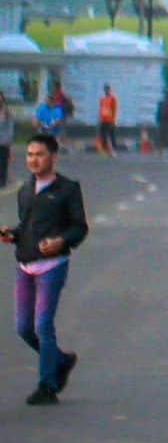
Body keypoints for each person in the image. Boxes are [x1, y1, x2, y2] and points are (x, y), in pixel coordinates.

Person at [2, 134, 88, 406]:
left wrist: (61, 241)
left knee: (42, 326)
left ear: (53, 157)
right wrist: (12, 235)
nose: (34, 160)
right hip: (26, 266)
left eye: (39, 154)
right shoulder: (25, 191)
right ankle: (60, 361)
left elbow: (79, 227)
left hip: (52, 266)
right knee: (24, 328)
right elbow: (26, 227)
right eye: (29, 155)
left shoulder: (67, 189)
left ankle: (47, 386)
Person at [96, 84, 118, 155]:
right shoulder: (102, 99)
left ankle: (113, 150)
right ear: (104, 90)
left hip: (110, 120)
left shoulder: (113, 98)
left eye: (108, 89)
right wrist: (99, 120)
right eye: (106, 89)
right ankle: (105, 150)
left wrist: (113, 120)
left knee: (112, 136)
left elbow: (114, 110)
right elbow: (101, 109)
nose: (107, 90)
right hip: (103, 120)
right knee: (103, 136)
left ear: (110, 90)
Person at [0, 91, 13, 186]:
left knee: (3, 161)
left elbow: (10, 127)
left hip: (4, 140)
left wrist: (8, 139)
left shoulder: (7, 112)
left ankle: (2, 180)